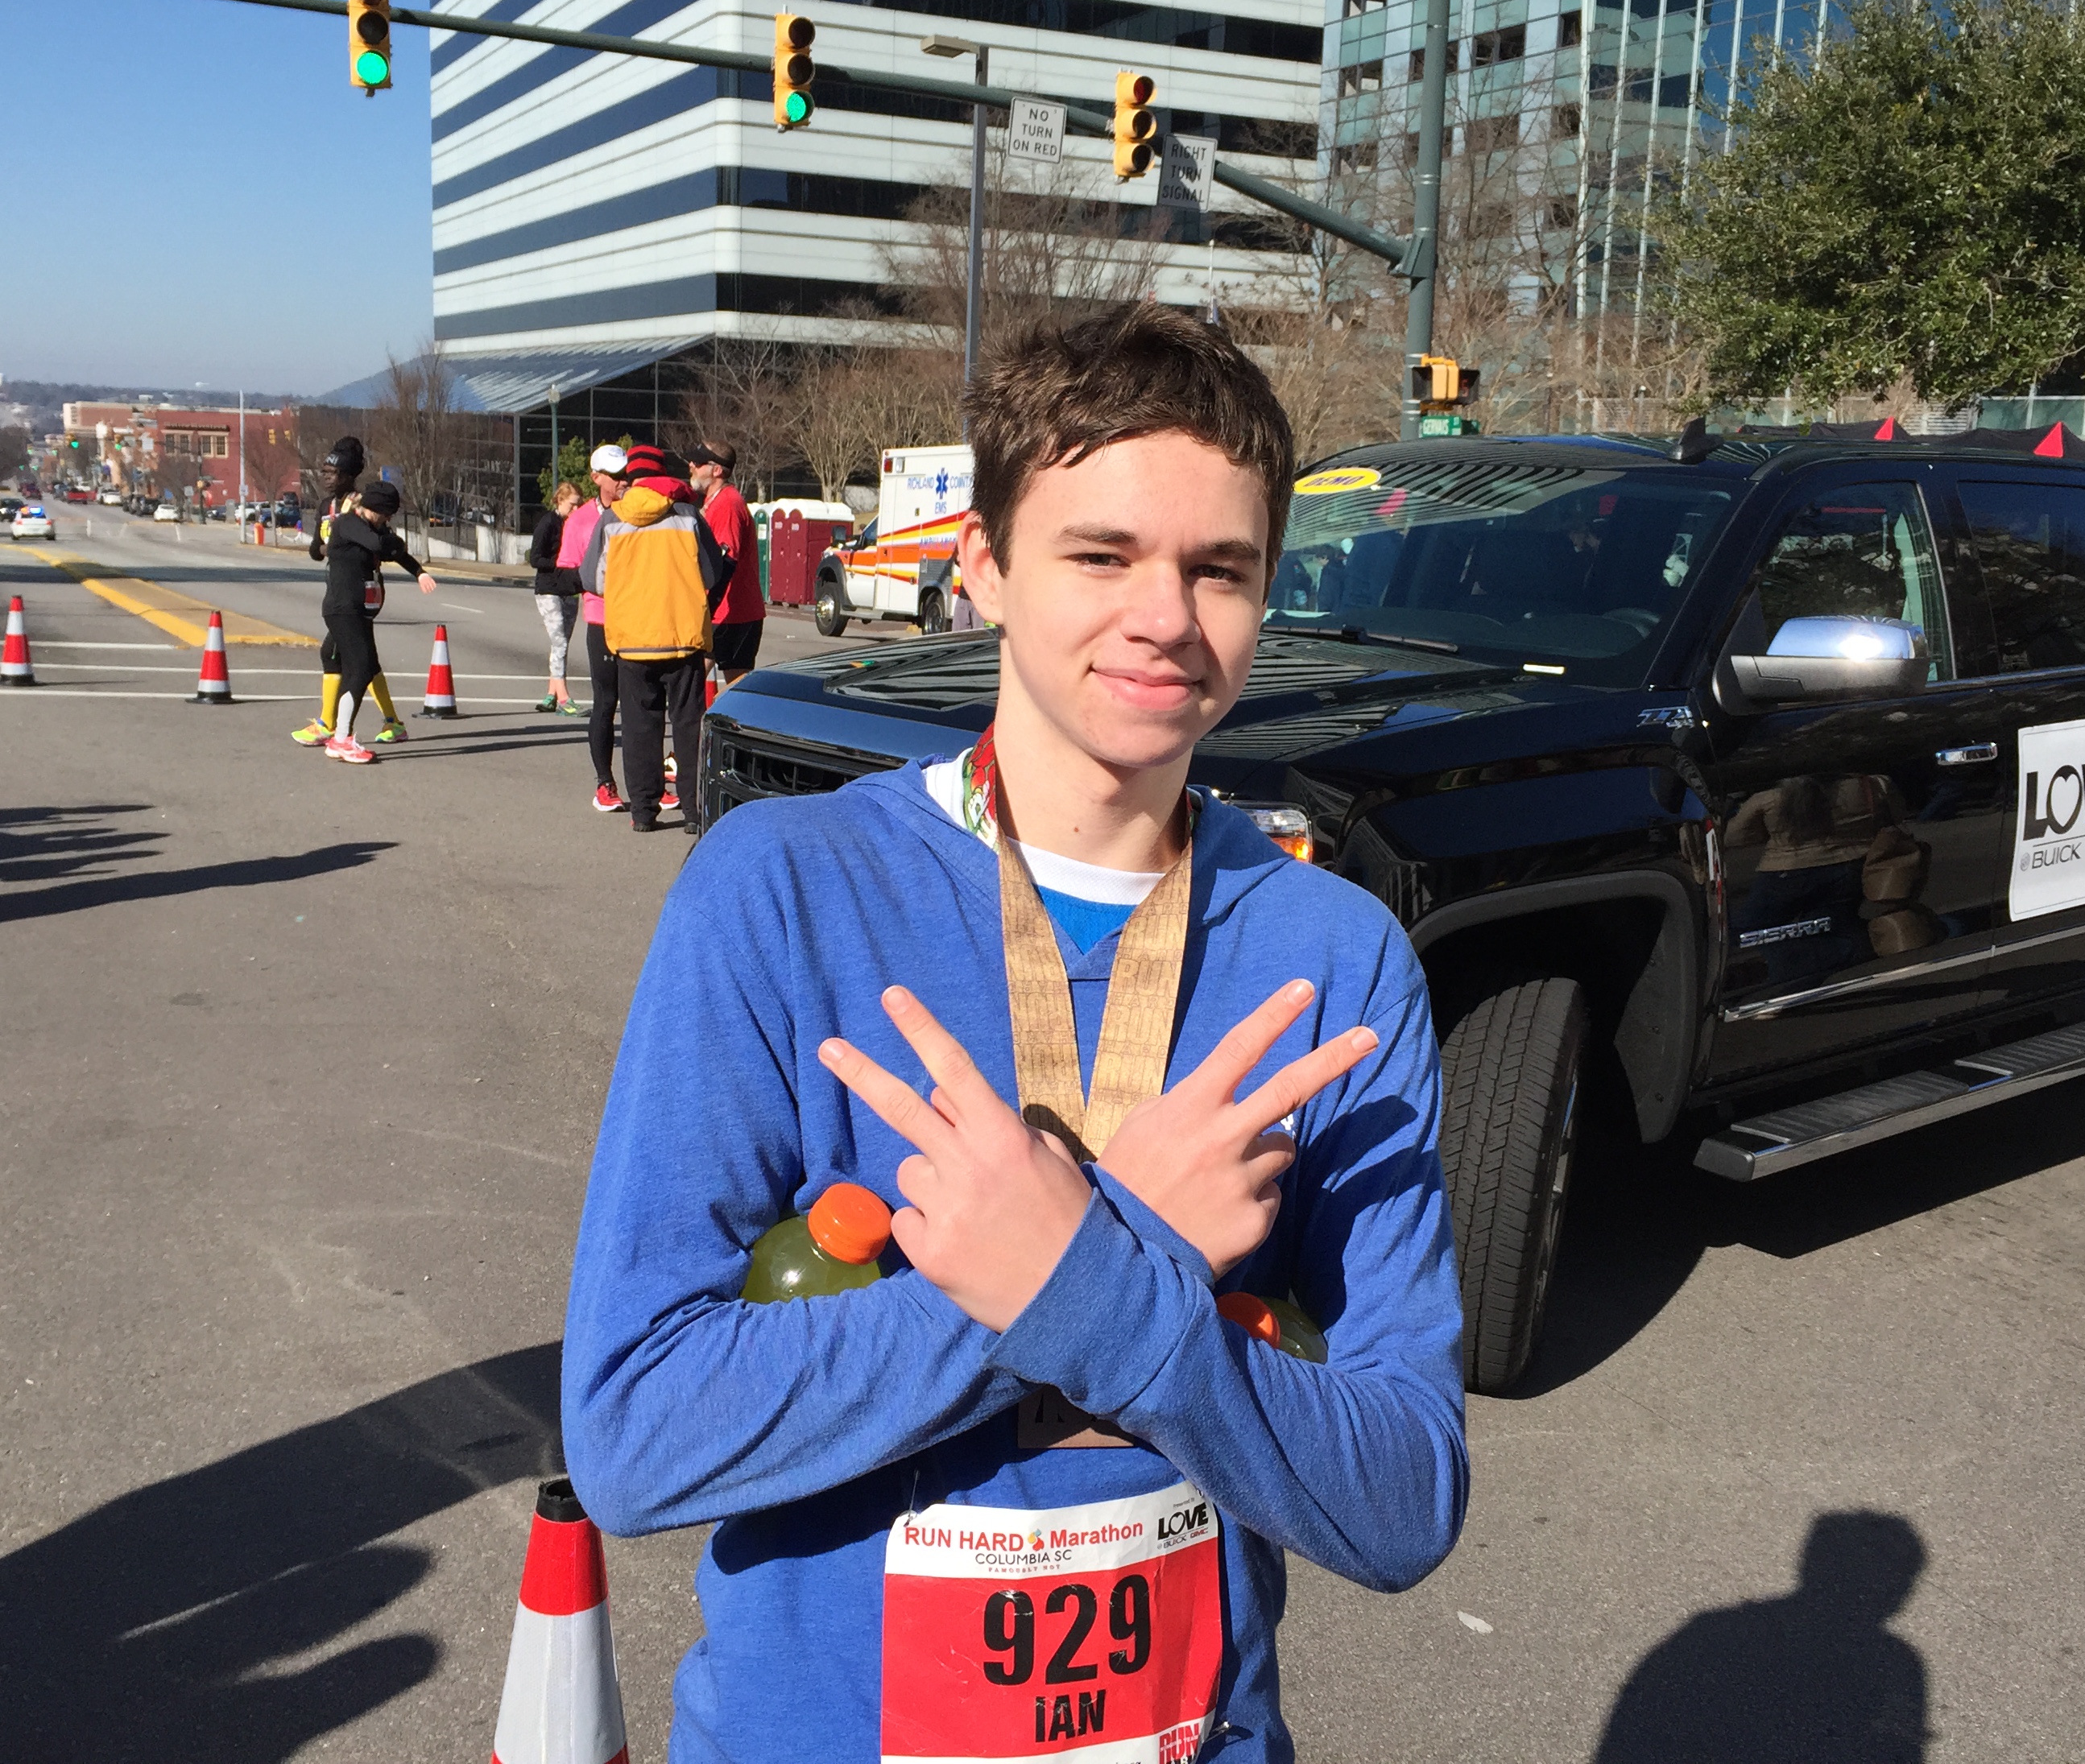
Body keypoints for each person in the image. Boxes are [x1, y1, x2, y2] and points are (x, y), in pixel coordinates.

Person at [559, 304, 1467, 1764]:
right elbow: (635, 1434)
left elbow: (1405, 1499)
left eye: (1219, 568)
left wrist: (1090, 1284)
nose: (1165, 616)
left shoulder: (1334, 957)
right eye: (1100, 555)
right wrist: (1111, 1257)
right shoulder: (786, 892)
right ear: (979, 564)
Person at [578, 444, 725, 834]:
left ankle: (644, 812)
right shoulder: (688, 515)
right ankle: (693, 811)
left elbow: (592, 579)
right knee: (688, 726)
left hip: (632, 638)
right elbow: (711, 573)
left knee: (640, 728)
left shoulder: (612, 519)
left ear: (632, 476)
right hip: (682, 635)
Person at [295, 439, 413, 747]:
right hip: (339, 586)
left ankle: (329, 725)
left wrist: (417, 569)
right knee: (362, 659)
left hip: (362, 590)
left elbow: (385, 544)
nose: (326, 477)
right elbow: (315, 551)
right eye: (324, 471)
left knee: (341, 656)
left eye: (332, 472)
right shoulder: (326, 507)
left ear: (349, 476)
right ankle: (392, 722)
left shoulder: (364, 505)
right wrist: (337, 543)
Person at [318, 479, 436, 765]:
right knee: (358, 671)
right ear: (373, 508)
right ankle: (341, 738)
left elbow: (395, 551)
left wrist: (419, 572)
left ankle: (349, 734)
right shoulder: (349, 523)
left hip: (360, 610)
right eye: (386, 514)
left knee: (367, 666)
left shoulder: (374, 528)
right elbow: (380, 545)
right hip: (343, 608)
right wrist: (393, 543)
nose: (388, 520)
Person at [575, 447, 628, 811]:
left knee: (643, 704)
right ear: (596, 477)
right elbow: (567, 570)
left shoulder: (640, 511)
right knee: (606, 702)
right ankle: (605, 783)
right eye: (615, 475)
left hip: (640, 620)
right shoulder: (581, 520)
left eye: (626, 473)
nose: (623, 480)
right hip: (602, 620)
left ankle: (650, 783)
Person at [689, 441, 766, 686]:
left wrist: (709, 605)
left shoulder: (728, 504)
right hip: (722, 612)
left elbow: (727, 559)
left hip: (732, 614)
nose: (691, 466)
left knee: (731, 688)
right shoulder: (715, 502)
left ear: (717, 470)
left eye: (699, 463)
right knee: (692, 682)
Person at [529, 480, 585, 714]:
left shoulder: (576, 524)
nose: (575, 509)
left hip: (570, 589)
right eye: (572, 505)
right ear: (560, 500)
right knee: (559, 641)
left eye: (579, 505)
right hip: (548, 590)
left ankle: (551, 695)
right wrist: (560, 563)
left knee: (561, 644)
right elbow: (535, 559)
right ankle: (564, 699)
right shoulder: (548, 523)